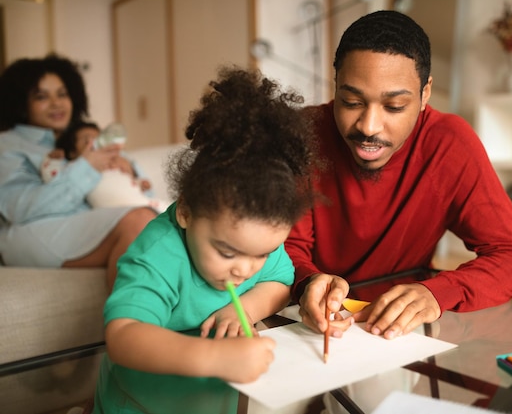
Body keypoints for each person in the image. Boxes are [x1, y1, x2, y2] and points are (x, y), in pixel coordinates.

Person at [285, 10, 512, 341]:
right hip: (309, 324)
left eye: (394, 107)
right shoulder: (302, 135)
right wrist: (307, 282)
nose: (369, 127)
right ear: (335, 86)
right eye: (351, 101)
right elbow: (283, 247)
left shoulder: (449, 144)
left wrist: (438, 291)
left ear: (425, 94)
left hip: (400, 333)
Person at [92, 67, 320, 414]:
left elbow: (280, 282)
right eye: (227, 251)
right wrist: (215, 357)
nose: (245, 268)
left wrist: (243, 308)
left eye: (263, 253)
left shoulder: (254, 249)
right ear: (186, 211)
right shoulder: (158, 254)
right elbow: (124, 335)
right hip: (138, 404)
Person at [0, 53, 157, 290]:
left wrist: (131, 172)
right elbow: (19, 209)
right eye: (41, 96)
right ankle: (126, 325)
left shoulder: (81, 138)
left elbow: (139, 192)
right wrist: (87, 167)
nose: (56, 103)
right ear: (21, 104)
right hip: (28, 231)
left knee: (163, 223)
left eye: (62, 94)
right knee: (138, 221)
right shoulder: (8, 144)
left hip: (85, 219)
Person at [41, 120, 169, 212]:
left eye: (100, 141)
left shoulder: (118, 160)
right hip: (115, 212)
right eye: (88, 141)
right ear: (72, 152)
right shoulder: (74, 167)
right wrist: (53, 159)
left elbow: (131, 186)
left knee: (169, 211)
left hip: (142, 203)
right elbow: (53, 179)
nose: (97, 146)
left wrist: (139, 181)